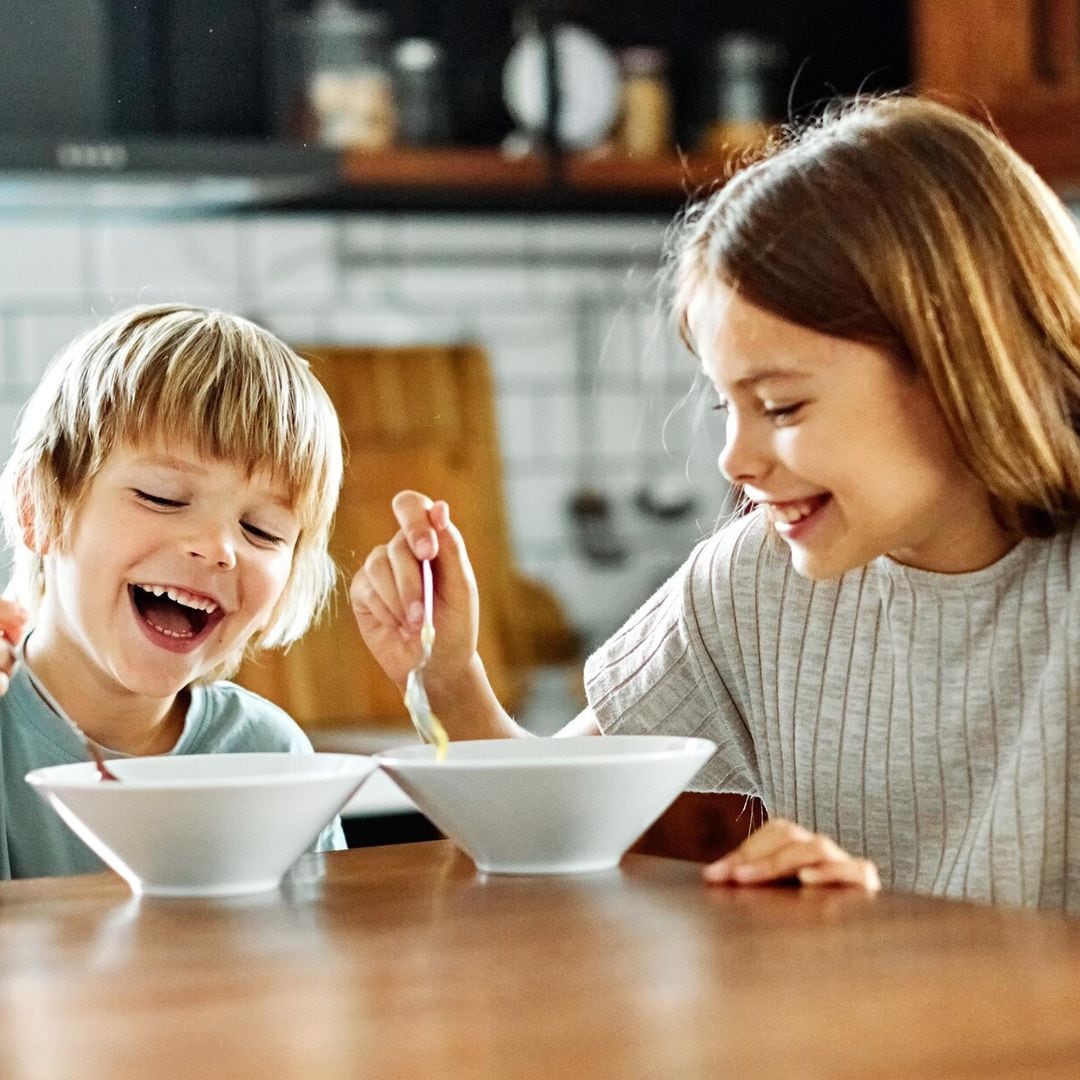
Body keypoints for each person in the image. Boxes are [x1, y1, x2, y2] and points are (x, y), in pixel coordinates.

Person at [351, 94, 1080, 911]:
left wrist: (898, 936)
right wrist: (448, 676)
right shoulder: (754, 585)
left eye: (783, 406)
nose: (736, 459)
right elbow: (541, 825)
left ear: (957, 369)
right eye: (723, 406)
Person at [0, 303, 347, 878]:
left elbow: (313, 957)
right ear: (39, 508)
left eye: (261, 530)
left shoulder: (269, 756)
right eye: (163, 497)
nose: (218, 548)